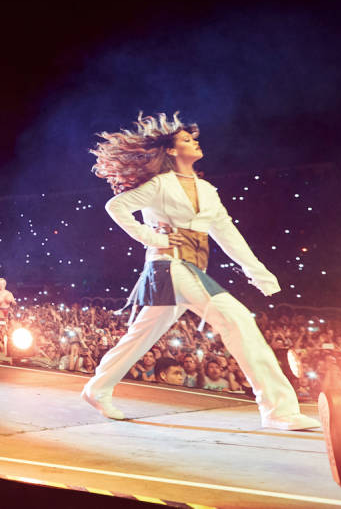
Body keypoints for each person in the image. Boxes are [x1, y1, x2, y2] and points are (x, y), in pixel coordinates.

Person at [81, 112, 320, 430]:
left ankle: (97, 389)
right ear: (170, 150)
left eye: (193, 138)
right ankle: (279, 409)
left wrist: (257, 271)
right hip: (167, 266)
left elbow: (226, 232)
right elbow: (116, 206)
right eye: (185, 139)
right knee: (236, 320)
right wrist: (153, 237)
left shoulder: (207, 190)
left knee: (141, 336)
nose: (194, 141)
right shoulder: (160, 185)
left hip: (191, 266)